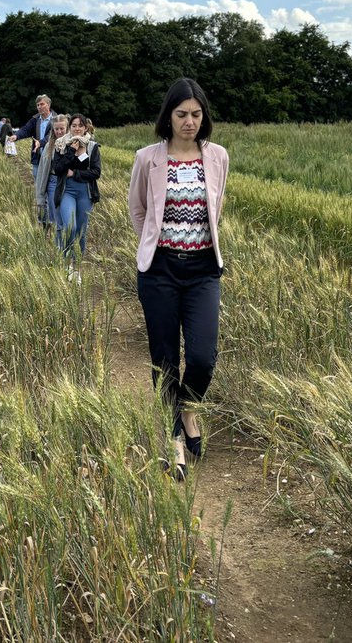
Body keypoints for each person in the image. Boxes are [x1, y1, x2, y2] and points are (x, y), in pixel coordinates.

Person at [127, 78, 228, 481]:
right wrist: (155, 244)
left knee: (202, 357)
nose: (189, 122)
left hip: (204, 269)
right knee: (165, 357)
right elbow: (137, 210)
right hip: (160, 270)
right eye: (182, 114)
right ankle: (173, 440)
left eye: (196, 115)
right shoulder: (147, 157)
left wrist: (197, 243)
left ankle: (189, 407)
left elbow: (216, 208)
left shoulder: (218, 156)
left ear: (204, 118)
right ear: (168, 117)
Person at [52, 113, 100, 278]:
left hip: (84, 193)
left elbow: (96, 172)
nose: (77, 128)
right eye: (74, 125)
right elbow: (58, 169)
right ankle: (67, 264)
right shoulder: (61, 144)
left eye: (80, 125)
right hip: (67, 192)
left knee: (80, 231)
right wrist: (72, 149)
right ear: (69, 127)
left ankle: (77, 267)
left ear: (85, 127)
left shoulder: (92, 147)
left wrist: (75, 174)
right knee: (69, 227)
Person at [34, 113, 68, 235]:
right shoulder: (49, 146)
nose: (59, 131)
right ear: (53, 130)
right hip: (54, 182)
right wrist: (40, 196)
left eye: (62, 128)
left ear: (67, 128)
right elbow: (42, 171)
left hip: (70, 182)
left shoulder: (74, 143)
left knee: (69, 218)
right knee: (57, 217)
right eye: (56, 129)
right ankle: (60, 244)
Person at [9, 94, 54, 180]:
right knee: (38, 184)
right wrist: (16, 135)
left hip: (51, 158)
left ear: (48, 105)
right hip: (37, 157)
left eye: (42, 104)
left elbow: (52, 136)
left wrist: (40, 143)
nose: (39, 107)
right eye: (37, 105)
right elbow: (26, 129)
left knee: (50, 183)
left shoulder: (56, 119)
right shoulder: (35, 119)